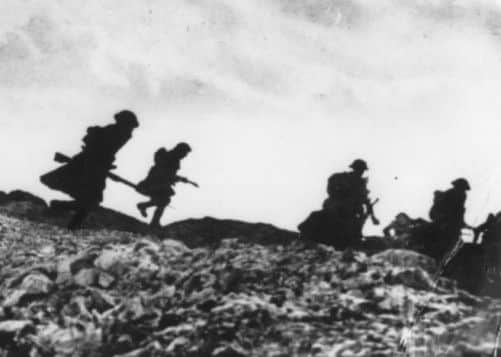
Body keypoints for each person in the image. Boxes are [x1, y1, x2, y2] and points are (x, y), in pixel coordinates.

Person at [41, 110, 139, 229]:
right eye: (130, 126)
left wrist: (106, 163)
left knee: (90, 201)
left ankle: (67, 220)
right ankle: (62, 211)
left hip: (93, 166)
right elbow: (98, 148)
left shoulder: (115, 132)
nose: (131, 131)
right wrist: (104, 162)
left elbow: (101, 147)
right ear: (124, 123)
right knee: (91, 201)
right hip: (90, 167)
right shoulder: (115, 132)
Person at [299, 159, 378, 249]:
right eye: (359, 169)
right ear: (354, 169)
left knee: (351, 228)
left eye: (361, 170)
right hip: (339, 208)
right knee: (319, 216)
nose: (360, 172)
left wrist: (373, 217)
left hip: (350, 212)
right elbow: (332, 190)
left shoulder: (360, 183)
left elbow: (366, 201)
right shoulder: (343, 178)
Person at [136, 142, 197, 228]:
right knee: (164, 200)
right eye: (184, 153)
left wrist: (179, 179)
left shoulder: (172, 159)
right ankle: (153, 221)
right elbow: (164, 174)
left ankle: (145, 209)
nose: (185, 156)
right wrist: (177, 179)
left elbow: (169, 175)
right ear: (179, 150)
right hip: (152, 184)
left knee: (164, 200)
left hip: (157, 184)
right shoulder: (170, 159)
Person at [426, 177, 471, 259]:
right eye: (461, 188)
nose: (463, 191)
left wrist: (461, 223)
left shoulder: (460, 195)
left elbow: (458, 213)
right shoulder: (451, 194)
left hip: (449, 224)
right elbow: (447, 211)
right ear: (457, 186)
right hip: (443, 223)